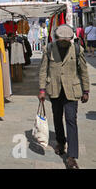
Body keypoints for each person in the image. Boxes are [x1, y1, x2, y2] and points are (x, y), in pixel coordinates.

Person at [38, 24, 89, 169]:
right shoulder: (48, 49)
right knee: (57, 118)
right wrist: (42, 90)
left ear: (71, 39)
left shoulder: (78, 49)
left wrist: (86, 91)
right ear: (57, 38)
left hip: (72, 91)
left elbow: (83, 71)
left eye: (67, 40)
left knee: (71, 120)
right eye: (62, 40)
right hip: (55, 90)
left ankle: (72, 156)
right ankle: (60, 141)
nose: (64, 42)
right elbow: (43, 71)